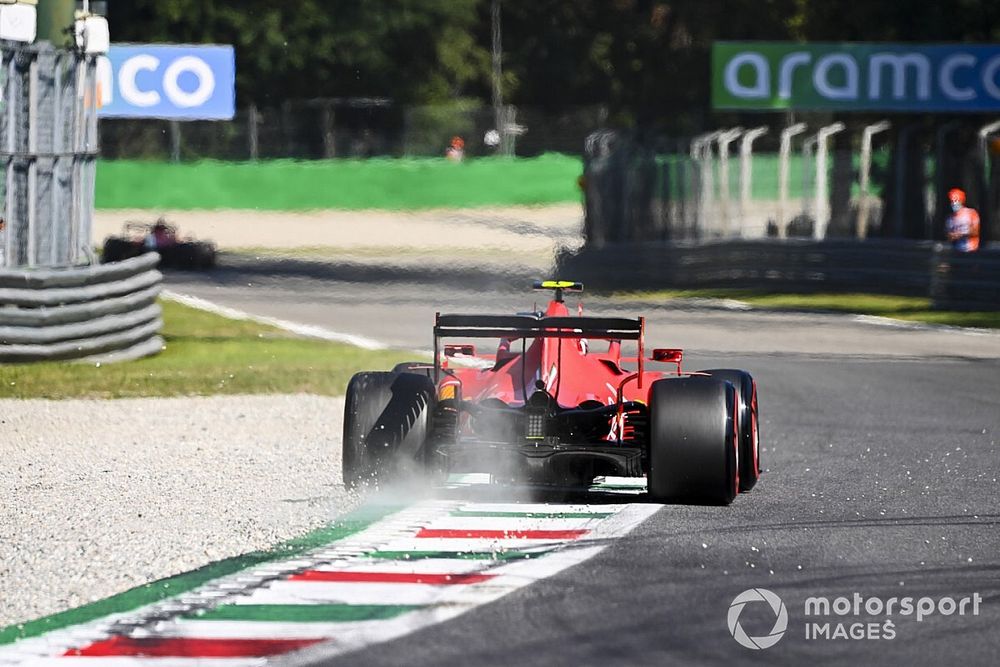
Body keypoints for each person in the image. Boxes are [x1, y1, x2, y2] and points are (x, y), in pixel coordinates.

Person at [945, 188, 980, 252]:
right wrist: (953, 236)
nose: (953, 203)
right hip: (957, 250)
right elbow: (949, 236)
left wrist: (961, 234)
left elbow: (975, 231)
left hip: (971, 249)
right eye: (951, 201)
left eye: (956, 200)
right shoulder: (950, 218)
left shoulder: (971, 213)